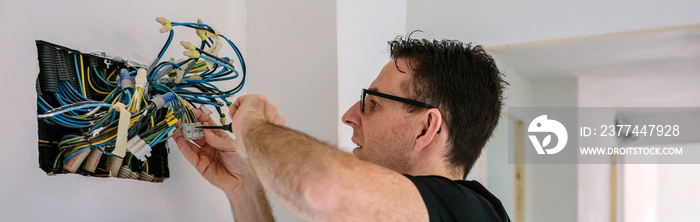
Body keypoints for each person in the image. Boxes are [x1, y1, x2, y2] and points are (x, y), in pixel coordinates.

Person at [174, 35, 510, 221]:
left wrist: (252, 127)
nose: (350, 115)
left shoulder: (469, 213)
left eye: (373, 103)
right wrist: (244, 187)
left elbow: (324, 188)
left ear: (425, 129)